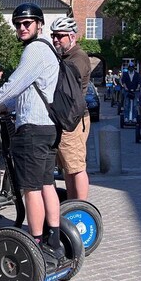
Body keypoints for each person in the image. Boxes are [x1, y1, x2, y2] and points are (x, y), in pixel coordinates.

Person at [0, 3, 64, 265]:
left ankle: (35, 245)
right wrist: (3, 107)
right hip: (48, 127)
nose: (22, 28)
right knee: (47, 184)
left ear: (39, 24)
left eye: (27, 23)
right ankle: (53, 242)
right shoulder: (48, 50)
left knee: (30, 189)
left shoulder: (35, 50)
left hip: (33, 129)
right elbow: (26, 92)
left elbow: (13, 85)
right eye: (18, 24)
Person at [49, 16, 91, 201]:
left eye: (60, 36)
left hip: (72, 119)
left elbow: (66, 87)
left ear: (72, 37)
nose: (56, 39)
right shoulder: (63, 56)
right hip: (65, 119)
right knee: (68, 167)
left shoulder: (78, 58)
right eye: (53, 35)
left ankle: (81, 209)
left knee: (76, 167)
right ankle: (72, 206)